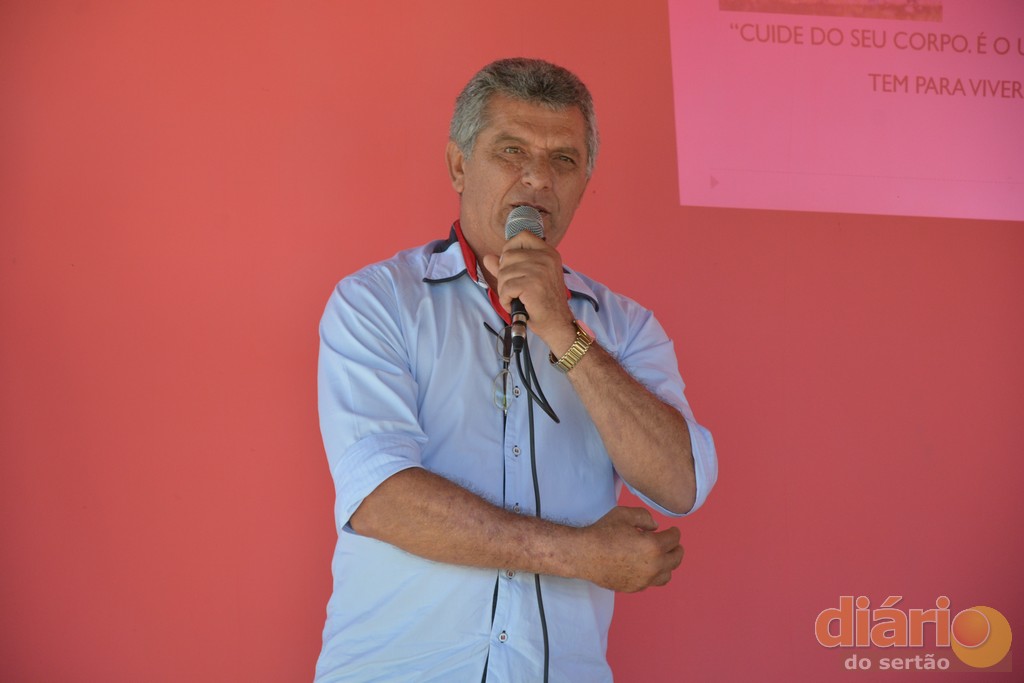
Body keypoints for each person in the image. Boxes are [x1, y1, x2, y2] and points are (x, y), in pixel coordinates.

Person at [314, 57, 717, 682]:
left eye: (564, 159)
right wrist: (581, 555)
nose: (538, 178)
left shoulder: (625, 327)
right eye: (512, 151)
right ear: (459, 165)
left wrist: (564, 332)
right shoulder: (379, 301)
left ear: (585, 180)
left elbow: (681, 484)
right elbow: (381, 498)